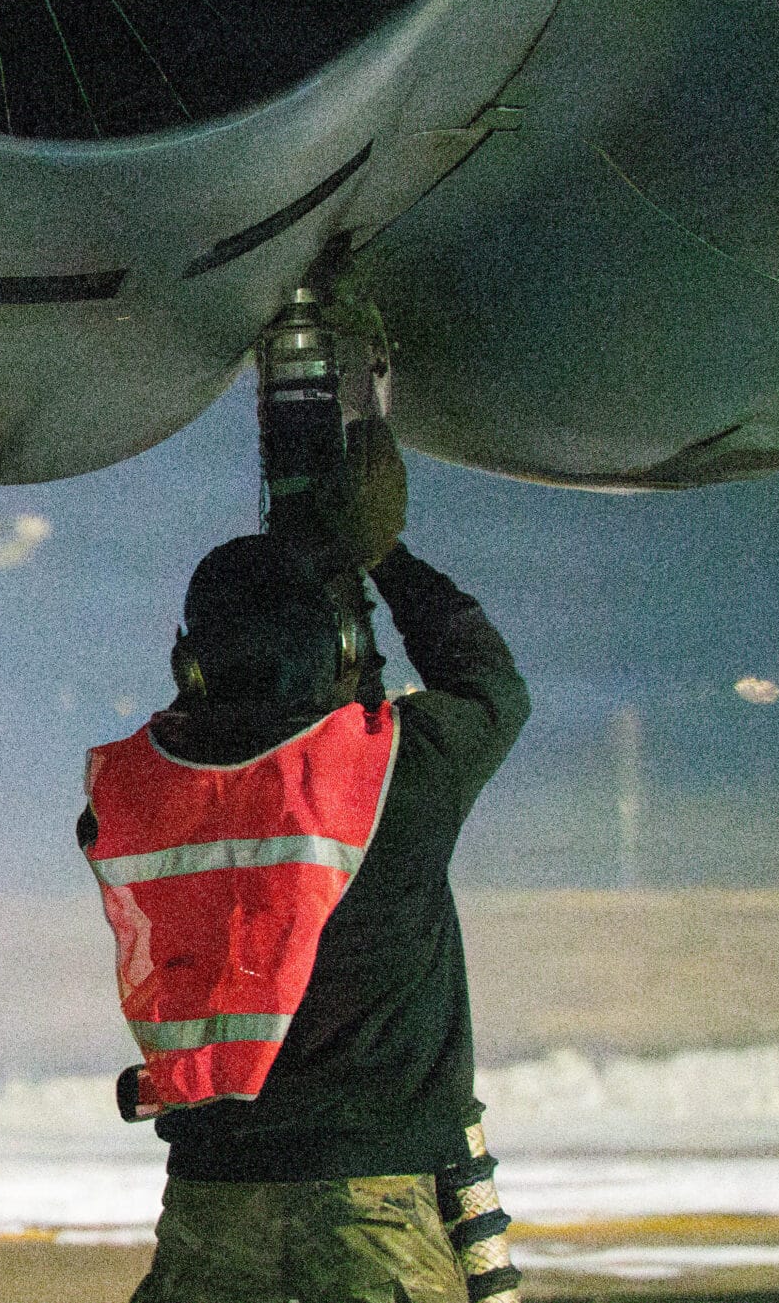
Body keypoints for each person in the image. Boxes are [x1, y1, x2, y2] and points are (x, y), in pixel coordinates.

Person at [78, 414, 530, 1303]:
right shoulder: (393, 774)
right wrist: (384, 555)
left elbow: (234, 755)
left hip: (211, 1203)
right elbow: (489, 684)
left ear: (192, 661)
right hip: (374, 1204)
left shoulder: (129, 798)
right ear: (345, 649)